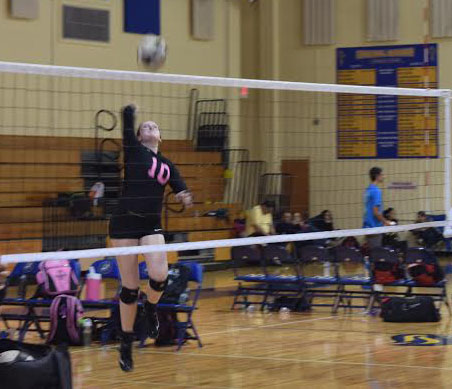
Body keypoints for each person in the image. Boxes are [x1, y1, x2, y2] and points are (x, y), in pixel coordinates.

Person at [109, 104, 193, 372]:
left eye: (154, 126)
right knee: (129, 288)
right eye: (144, 126)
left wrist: (184, 196)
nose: (150, 127)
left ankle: (151, 309)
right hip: (124, 222)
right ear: (139, 136)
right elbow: (125, 131)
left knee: (159, 276)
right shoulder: (134, 152)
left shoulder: (167, 165)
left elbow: (181, 188)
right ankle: (126, 342)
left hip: (150, 224)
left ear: (160, 136)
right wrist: (128, 114)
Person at [363, 167, 391, 249]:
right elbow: (375, 212)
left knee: (372, 252)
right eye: (382, 175)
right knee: (376, 254)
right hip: (374, 227)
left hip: (366, 226)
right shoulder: (376, 191)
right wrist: (385, 222)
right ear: (377, 176)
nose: (384, 176)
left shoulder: (368, 190)